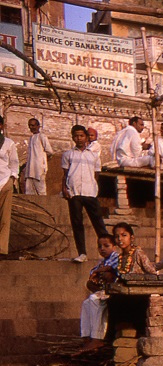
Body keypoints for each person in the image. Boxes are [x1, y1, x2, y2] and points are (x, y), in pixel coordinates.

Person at [62, 125, 105, 263]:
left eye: (81, 136)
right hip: (74, 192)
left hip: (90, 193)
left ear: (86, 137)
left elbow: (97, 174)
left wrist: (93, 187)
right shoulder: (68, 154)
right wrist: (64, 189)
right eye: (76, 136)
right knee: (77, 223)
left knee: (98, 223)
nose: (79, 138)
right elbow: (65, 174)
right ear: (72, 137)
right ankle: (82, 253)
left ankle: (109, 253)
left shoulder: (93, 156)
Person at [78, 234, 119, 353]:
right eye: (99, 246)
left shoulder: (116, 257)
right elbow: (93, 272)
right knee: (86, 303)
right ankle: (86, 336)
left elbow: (113, 268)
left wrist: (100, 271)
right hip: (104, 289)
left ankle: (97, 337)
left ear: (114, 247)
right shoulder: (103, 261)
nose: (102, 248)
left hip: (114, 290)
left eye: (106, 245)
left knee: (94, 300)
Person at [0, 115, 18, 257]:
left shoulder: (8, 143)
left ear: (1, 126)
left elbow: (14, 163)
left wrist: (12, 179)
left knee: (4, 218)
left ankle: (1, 249)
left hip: (4, 181)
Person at [23, 118, 53, 196]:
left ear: (38, 126)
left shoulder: (42, 136)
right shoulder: (31, 138)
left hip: (39, 169)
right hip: (30, 169)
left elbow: (49, 151)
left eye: (33, 125)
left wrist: (42, 161)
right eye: (29, 125)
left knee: (41, 191)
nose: (31, 127)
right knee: (29, 191)